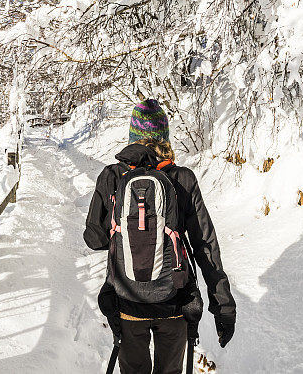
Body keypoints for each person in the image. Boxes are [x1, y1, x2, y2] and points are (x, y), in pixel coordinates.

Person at [84, 99, 236, 374]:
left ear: (133, 136)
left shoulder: (112, 176)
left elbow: (94, 239)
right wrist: (223, 305)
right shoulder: (183, 179)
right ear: (164, 135)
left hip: (126, 299)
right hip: (174, 301)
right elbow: (205, 245)